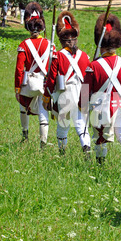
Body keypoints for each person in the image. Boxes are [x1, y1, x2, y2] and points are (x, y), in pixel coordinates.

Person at [84, 13, 121, 165]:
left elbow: (85, 92)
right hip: (120, 107)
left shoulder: (94, 66)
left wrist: (83, 105)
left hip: (101, 108)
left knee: (99, 138)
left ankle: (100, 165)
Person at [42, 11, 91, 156]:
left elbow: (51, 79)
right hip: (82, 94)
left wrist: (46, 97)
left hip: (65, 94)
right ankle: (86, 148)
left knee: (62, 126)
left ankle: (62, 152)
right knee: (81, 124)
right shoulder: (85, 56)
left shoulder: (57, 56)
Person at [14, 2, 55, 146]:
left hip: (27, 82)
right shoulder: (50, 44)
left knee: (22, 109)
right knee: (43, 112)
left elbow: (19, 69)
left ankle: (25, 136)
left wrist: (17, 88)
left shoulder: (24, 45)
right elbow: (52, 66)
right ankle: (43, 142)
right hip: (43, 83)